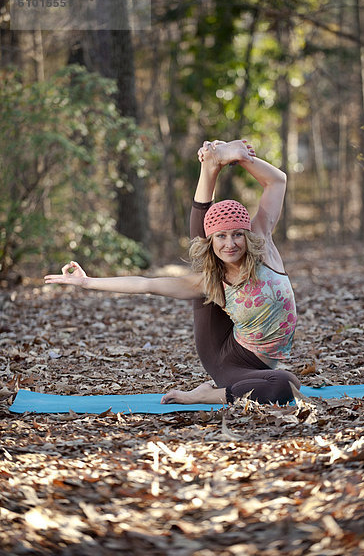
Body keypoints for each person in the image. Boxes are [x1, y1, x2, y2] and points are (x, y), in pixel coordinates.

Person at [44, 139, 300, 405]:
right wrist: (88, 282)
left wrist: (240, 157)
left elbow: (277, 181)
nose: (231, 243)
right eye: (221, 236)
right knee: (281, 386)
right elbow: (147, 285)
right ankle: (203, 395)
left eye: (237, 234)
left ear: (248, 234)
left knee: (291, 382)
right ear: (212, 242)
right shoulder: (209, 280)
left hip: (255, 362)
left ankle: (212, 163)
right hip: (225, 358)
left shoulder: (263, 246)